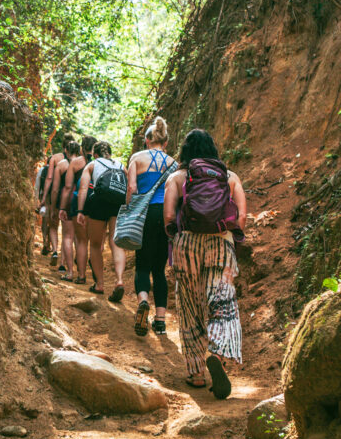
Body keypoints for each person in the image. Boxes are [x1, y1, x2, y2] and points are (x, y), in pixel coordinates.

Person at [163, 128, 246, 400]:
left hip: (187, 244)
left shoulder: (177, 177)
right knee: (221, 303)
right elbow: (241, 217)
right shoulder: (229, 177)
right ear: (213, 149)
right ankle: (219, 353)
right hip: (221, 244)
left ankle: (196, 373)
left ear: (185, 151)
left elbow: (167, 217)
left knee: (189, 306)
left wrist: (176, 237)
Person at [127, 116, 175, 334]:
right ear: (165, 142)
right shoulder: (173, 163)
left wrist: (129, 213)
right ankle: (161, 320)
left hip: (144, 214)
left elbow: (132, 190)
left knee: (143, 264)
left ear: (147, 140)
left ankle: (143, 302)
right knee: (159, 269)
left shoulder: (137, 158)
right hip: (166, 215)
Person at [76, 141, 126, 297]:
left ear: (95, 154)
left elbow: (83, 188)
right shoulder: (120, 165)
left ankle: (99, 284)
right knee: (116, 243)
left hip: (98, 203)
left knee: (96, 245)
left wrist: (80, 210)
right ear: (109, 153)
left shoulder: (92, 164)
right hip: (118, 203)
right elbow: (131, 186)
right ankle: (119, 280)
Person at [59, 136, 94, 282]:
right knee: (94, 242)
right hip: (94, 202)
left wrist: (62, 207)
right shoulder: (99, 163)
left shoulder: (75, 162)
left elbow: (67, 187)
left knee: (77, 239)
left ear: (81, 148)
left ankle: (77, 274)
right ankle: (94, 276)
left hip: (77, 202)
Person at [42, 133, 74, 267]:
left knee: (53, 226)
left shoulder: (55, 158)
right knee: (68, 233)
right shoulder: (78, 160)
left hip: (55, 196)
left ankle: (54, 250)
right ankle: (63, 262)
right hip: (70, 199)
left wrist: (44, 197)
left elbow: (49, 179)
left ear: (63, 145)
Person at [51, 140, 81, 278]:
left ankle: (66, 268)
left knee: (67, 236)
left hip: (66, 200)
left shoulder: (61, 165)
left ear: (66, 151)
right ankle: (81, 271)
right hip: (81, 199)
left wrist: (54, 206)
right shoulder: (84, 164)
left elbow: (56, 188)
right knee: (80, 238)